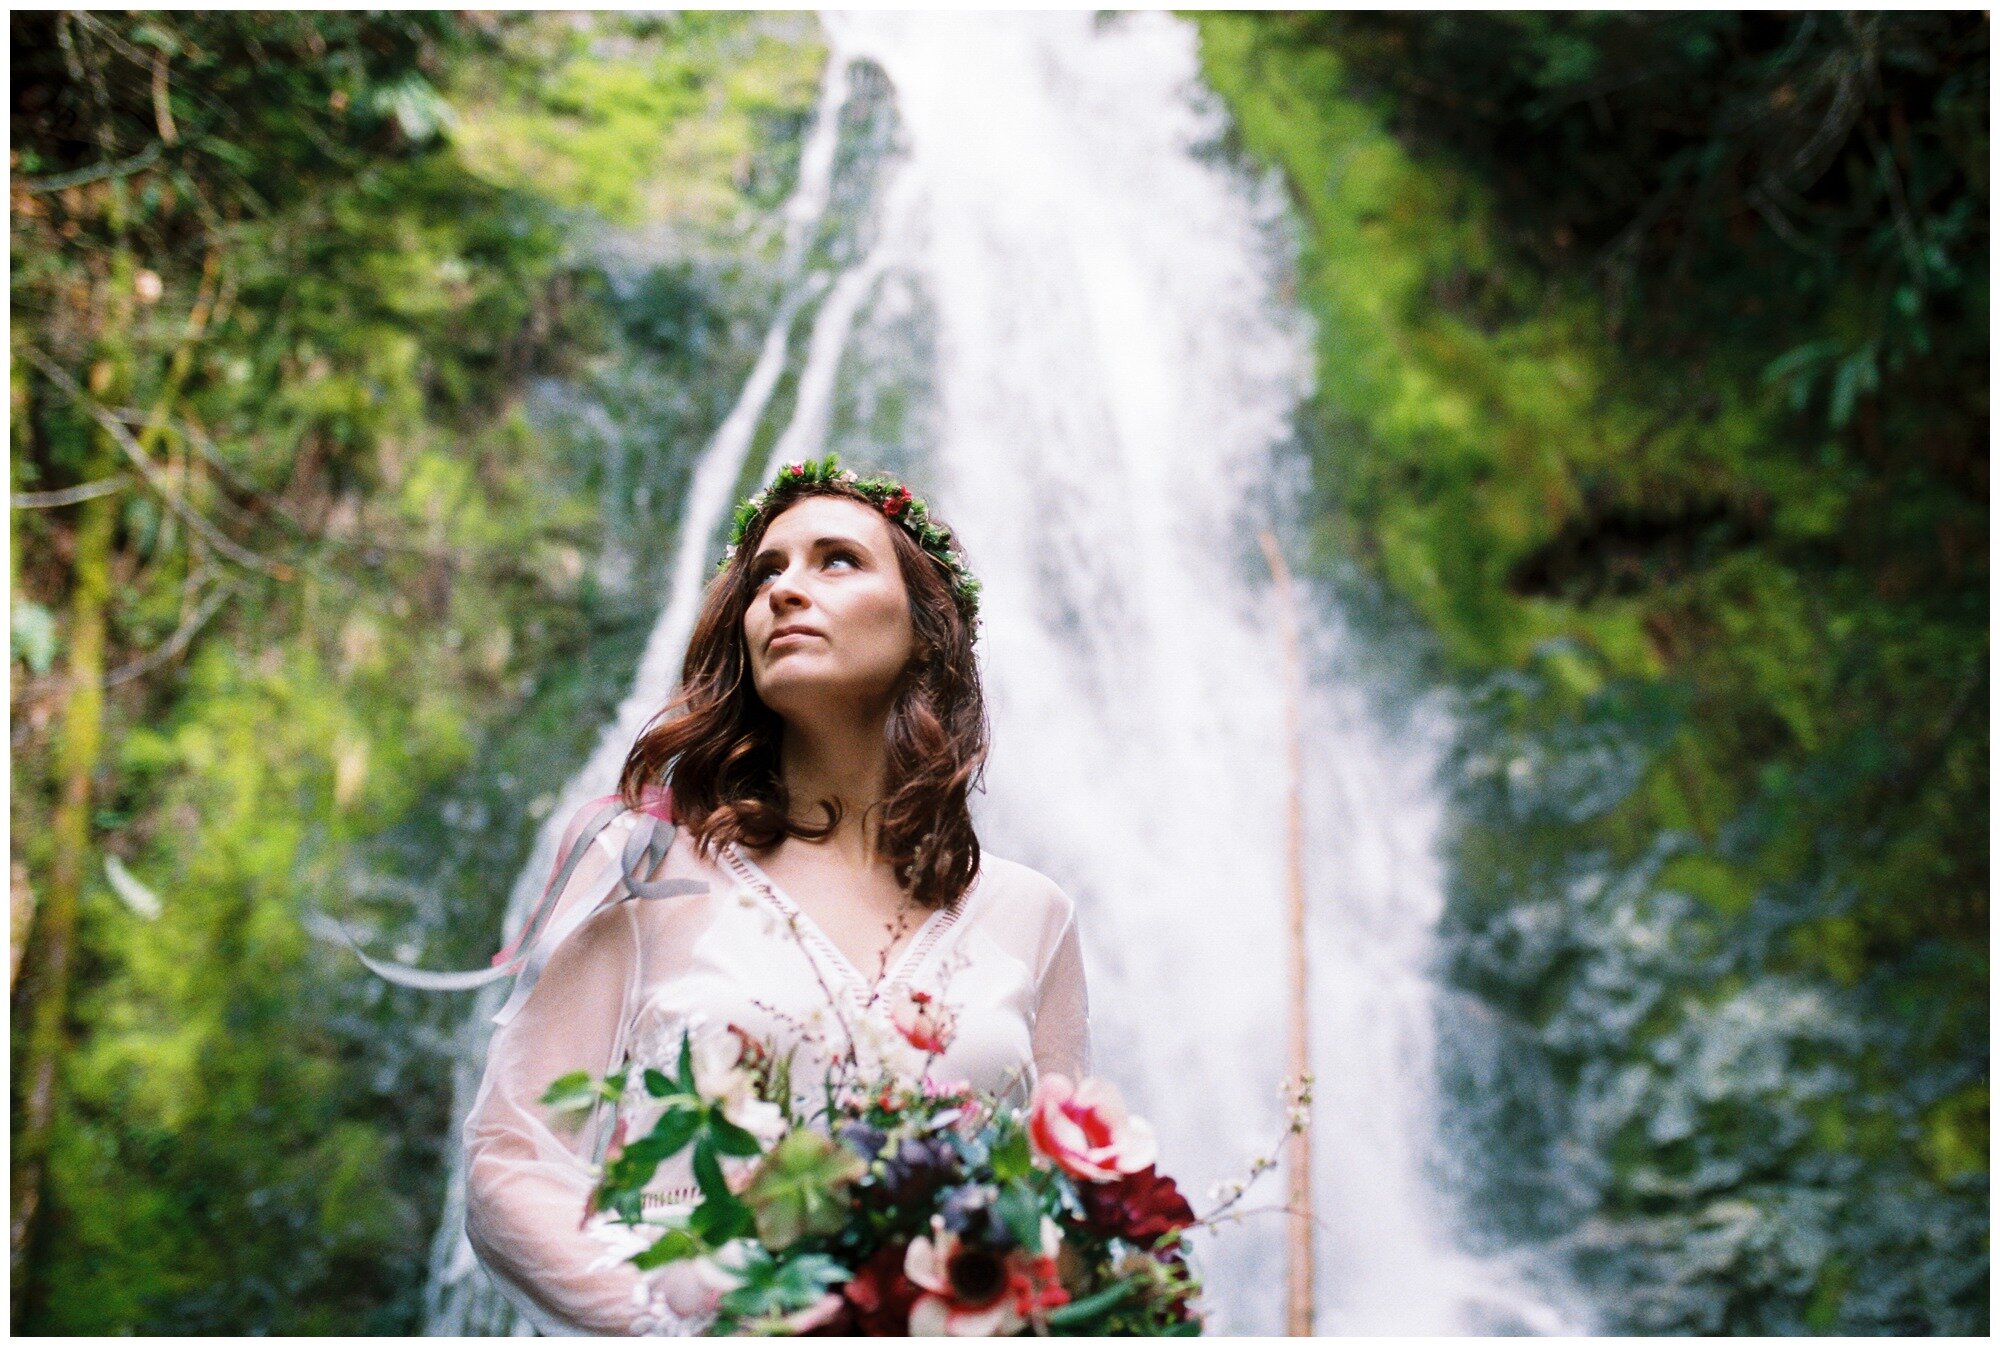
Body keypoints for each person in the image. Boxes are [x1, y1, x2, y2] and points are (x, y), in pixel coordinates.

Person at [453, 457, 1093, 1334]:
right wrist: (681, 1328)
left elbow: (1057, 1202)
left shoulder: (1034, 914)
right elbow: (510, 1160)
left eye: (837, 560)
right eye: (766, 572)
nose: (786, 590)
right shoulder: (641, 865)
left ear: (926, 629)